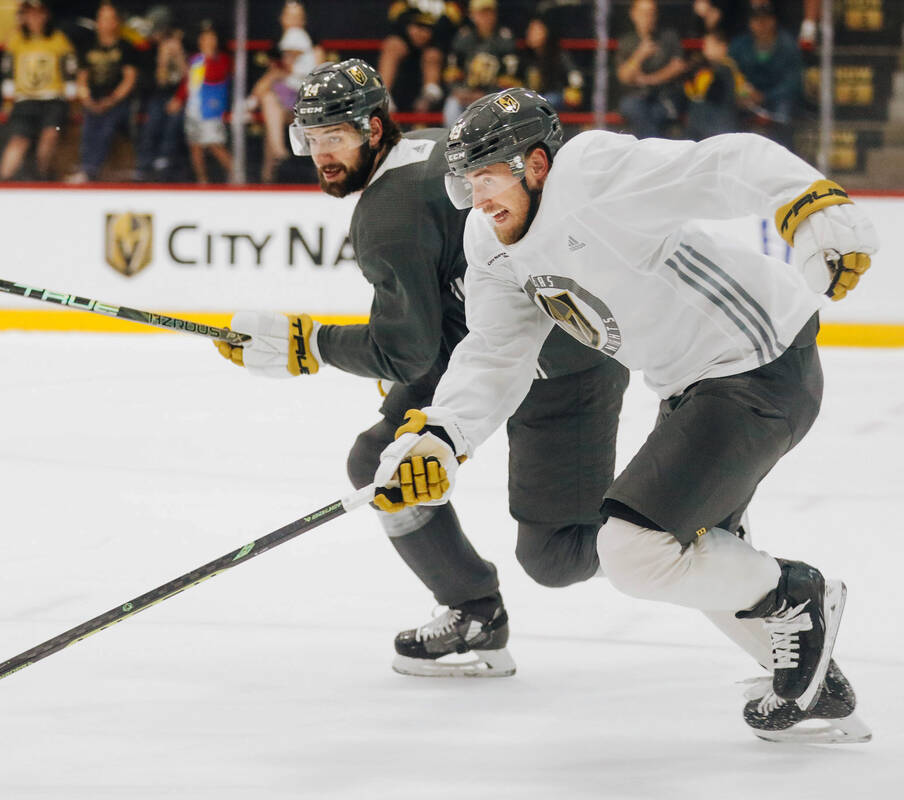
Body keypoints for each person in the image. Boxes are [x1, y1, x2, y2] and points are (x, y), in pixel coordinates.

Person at [372, 87, 876, 742]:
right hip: (692, 387)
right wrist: (442, 437)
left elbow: (724, 163)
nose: (480, 198)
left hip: (760, 362)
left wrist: (810, 203)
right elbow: (495, 352)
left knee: (638, 549)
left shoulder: (595, 172)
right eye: (470, 183)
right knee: (694, 556)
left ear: (537, 165)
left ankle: (800, 596)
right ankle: (816, 691)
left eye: (490, 178)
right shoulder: (489, 239)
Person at [214, 60, 629, 678]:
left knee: (558, 557)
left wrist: (310, 343)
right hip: (491, 344)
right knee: (379, 459)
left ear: (375, 128)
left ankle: (685, 516)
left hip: (561, 368)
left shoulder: (385, 213)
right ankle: (474, 611)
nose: (323, 155)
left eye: (337, 137)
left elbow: (404, 349)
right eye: (313, 139)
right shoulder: (434, 149)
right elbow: (435, 319)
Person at [0, 0, 77, 181]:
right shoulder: (16, 39)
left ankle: (42, 176)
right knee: (19, 139)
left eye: (38, 13)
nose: (34, 18)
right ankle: (2, 181)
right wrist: (8, 100)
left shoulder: (58, 39)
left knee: (50, 134)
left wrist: (71, 98)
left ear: (46, 15)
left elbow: (70, 70)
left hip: (54, 100)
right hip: (24, 100)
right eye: (30, 14)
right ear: (24, 17)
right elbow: (8, 70)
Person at [244, 2, 323, 182]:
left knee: (269, 92)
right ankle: (270, 173)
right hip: (285, 100)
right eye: (289, 16)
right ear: (282, 19)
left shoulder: (302, 40)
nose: (293, 20)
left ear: (303, 20)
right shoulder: (282, 41)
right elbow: (281, 69)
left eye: (297, 16)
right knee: (270, 104)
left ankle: (249, 105)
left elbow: (317, 72)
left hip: (307, 99)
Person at [66, 2, 137, 183]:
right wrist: (86, 98)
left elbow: (129, 79)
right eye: (101, 18)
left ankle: (90, 170)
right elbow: (82, 77)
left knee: (106, 125)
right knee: (89, 124)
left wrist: (112, 100)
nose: (104, 23)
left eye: (108, 19)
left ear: (116, 22)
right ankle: (86, 167)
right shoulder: (88, 46)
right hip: (93, 99)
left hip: (118, 101)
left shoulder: (125, 47)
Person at [729, 0, 802, 148]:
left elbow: (792, 83)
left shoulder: (788, 45)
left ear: (773, 21)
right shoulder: (739, 46)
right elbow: (731, 74)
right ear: (750, 24)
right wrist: (741, 94)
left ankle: (784, 152)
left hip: (776, 99)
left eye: (765, 20)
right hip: (747, 98)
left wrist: (764, 96)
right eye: (756, 21)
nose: (761, 25)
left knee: (784, 109)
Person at [168, 20, 231, 184]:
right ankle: (202, 180)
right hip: (193, 109)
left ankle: (236, 174)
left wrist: (182, 58)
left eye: (212, 38)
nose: (208, 42)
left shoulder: (221, 59)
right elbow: (188, 82)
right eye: (205, 38)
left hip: (211, 110)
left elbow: (214, 76)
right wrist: (178, 99)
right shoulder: (195, 60)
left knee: (214, 144)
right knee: (195, 146)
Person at [441, 0, 520, 127]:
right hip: (465, 94)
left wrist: (486, 94)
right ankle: (451, 140)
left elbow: (510, 76)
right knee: (452, 104)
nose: (486, 18)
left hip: (494, 96)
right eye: (481, 13)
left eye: (490, 13)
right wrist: (459, 91)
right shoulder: (463, 38)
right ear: (472, 15)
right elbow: (452, 70)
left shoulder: (505, 38)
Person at [615, 0, 687, 139]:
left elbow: (678, 67)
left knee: (656, 113)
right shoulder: (627, 42)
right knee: (632, 107)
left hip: (666, 96)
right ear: (633, 14)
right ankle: (653, 151)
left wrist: (649, 79)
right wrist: (639, 55)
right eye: (643, 13)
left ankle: (649, 152)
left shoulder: (669, 37)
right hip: (636, 98)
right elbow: (624, 76)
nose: (648, 17)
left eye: (651, 13)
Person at [133, 4, 185, 181]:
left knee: (174, 120)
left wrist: (177, 56)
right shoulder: (148, 48)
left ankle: (165, 160)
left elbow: (189, 77)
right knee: (153, 119)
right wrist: (162, 62)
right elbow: (158, 82)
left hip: (181, 95)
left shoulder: (179, 42)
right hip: (157, 94)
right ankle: (144, 163)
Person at [682, 30, 747, 140]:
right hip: (701, 122)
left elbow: (736, 88)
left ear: (723, 47)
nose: (705, 48)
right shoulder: (703, 67)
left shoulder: (726, 68)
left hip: (720, 123)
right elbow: (694, 93)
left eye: (710, 45)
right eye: (705, 45)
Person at [517, 14, 583, 111]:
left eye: (535, 30)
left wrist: (574, 89)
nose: (530, 34)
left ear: (546, 32)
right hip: (532, 97)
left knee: (548, 100)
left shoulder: (558, 54)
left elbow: (573, 74)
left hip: (555, 96)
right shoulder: (526, 56)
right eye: (530, 30)